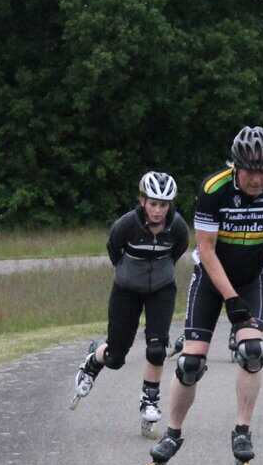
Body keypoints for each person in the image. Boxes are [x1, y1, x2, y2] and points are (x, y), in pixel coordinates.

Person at [142, 126, 263, 465]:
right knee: (191, 362)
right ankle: (173, 433)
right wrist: (231, 300)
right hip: (212, 280)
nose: (257, 178)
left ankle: (242, 430)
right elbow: (206, 251)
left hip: (251, 278)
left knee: (252, 351)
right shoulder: (214, 190)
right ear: (235, 166)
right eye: (249, 171)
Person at [70, 172, 190, 438]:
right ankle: (93, 361)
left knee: (157, 348)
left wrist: (158, 272)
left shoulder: (178, 227)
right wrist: (128, 273)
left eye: (164, 204)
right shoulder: (126, 225)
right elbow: (114, 250)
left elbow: (179, 250)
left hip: (161, 290)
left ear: (170, 205)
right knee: (115, 357)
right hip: (126, 290)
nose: (158, 210)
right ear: (142, 201)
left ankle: (149, 401)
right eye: (153, 203)